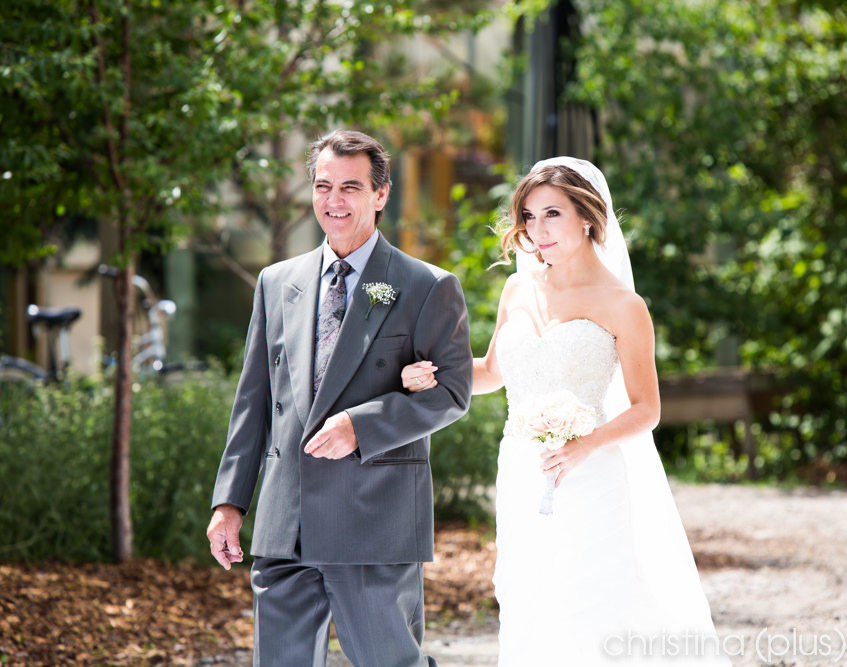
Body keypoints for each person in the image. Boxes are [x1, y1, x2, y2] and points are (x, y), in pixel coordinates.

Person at [403, 157, 730, 665]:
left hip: (591, 473)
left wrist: (586, 445)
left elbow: (647, 409)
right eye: (529, 217)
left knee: (588, 602)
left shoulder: (624, 305)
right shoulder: (518, 288)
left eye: (552, 214)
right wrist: (436, 373)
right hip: (520, 470)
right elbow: (491, 372)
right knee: (527, 599)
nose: (537, 230)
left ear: (587, 217)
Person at [206, 129, 474, 667]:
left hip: (374, 520)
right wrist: (229, 502)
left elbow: (452, 391)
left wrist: (361, 425)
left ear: (381, 194)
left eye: (351, 187)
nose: (334, 200)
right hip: (286, 522)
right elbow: (253, 401)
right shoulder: (276, 282)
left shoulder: (427, 285)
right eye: (323, 186)